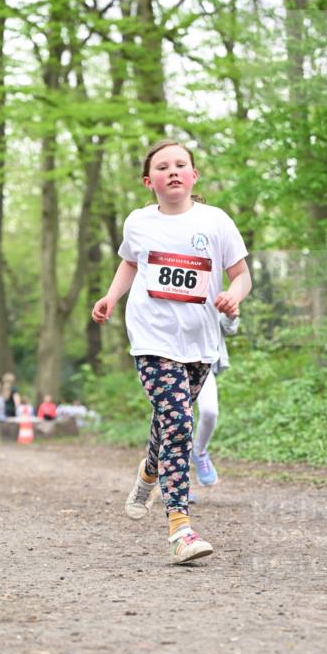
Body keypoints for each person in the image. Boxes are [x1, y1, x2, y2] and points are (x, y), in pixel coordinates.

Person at [92, 139, 251, 565]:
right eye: (163, 167)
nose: (173, 171)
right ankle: (180, 526)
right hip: (152, 338)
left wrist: (233, 296)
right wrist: (111, 297)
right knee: (180, 420)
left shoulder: (216, 222)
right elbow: (129, 262)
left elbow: (241, 274)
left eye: (182, 164)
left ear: (194, 176)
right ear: (150, 182)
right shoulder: (139, 223)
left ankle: (149, 468)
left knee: (170, 420)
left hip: (200, 344)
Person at [191, 312, 240, 488]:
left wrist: (231, 313)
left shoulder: (210, 290)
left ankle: (199, 452)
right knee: (175, 422)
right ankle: (174, 484)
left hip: (204, 364)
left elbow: (229, 327)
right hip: (169, 363)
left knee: (210, 412)